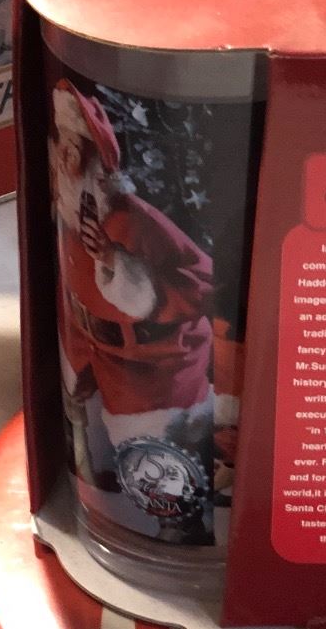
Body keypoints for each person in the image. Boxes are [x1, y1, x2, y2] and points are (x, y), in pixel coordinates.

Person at [49, 80, 216, 537]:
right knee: (98, 460)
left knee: (162, 467)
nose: (65, 155)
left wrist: (116, 263)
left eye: (76, 147)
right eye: (61, 143)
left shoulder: (131, 218)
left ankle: (179, 528)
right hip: (98, 359)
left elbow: (202, 281)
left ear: (96, 163)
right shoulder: (69, 218)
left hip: (156, 370)